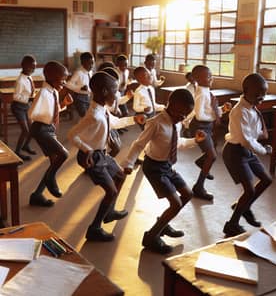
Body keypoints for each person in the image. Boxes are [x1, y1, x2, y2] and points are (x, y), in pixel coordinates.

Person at [123, 89, 206, 254]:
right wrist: (129, 163)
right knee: (175, 203)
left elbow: (178, 142)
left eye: (186, 115)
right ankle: (151, 237)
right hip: (154, 167)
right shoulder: (156, 122)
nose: (182, 118)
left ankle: (163, 223)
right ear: (170, 103)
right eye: (180, 113)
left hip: (167, 166)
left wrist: (195, 141)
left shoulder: (177, 122)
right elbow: (138, 144)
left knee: (187, 195)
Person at [68, 71, 145, 242]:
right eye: (114, 90)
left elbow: (115, 123)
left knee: (120, 176)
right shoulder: (93, 115)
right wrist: (87, 149)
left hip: (102, 154)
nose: (117, 94)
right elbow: (72, 134)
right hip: (91, 157)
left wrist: (134, 119)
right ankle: (94, 228)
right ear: (104, 92)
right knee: (111, 190)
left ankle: (109, 211)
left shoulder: (103, 109)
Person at [222, 73, 272, 237]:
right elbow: (246, 139)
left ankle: (244, 206)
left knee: (266, 180)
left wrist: (261, 137)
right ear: (246, 90)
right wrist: (264, 150)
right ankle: (232, 224)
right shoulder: (239, 111)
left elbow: (254, 134)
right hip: (235, 152)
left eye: (264, 93)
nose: (262, 97)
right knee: (249, 191)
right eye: (258, 93)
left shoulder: (252, 108)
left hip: (246, 151)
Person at [28, 61, 73, 207]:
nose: (64, 82)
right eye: (62, 79)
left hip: (48, 128)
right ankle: (50, 178)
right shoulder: (43, 93)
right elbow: (32, 113)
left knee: (55, 161)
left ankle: (37, 195)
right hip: (41, 129)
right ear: (52, 78)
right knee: (64, 154)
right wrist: (46, 117)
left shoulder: (53, 92)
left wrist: (64, 105)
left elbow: (52, 111)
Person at [188, 65, 231, 201]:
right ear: (196, 79)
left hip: (206, 125)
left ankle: (202, 163)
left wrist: (222, 110)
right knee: (212, 156)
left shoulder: (207, 91)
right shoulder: (201, 94)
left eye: (211, 75)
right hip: (200, 126)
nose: (211, 78)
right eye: (208, 76)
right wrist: (214, 117)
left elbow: (209, 110)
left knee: (211, 154)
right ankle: (199, 187)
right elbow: (200, 115)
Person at [11, 55, 37, 161]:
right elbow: (15, 96)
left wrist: (33, 96)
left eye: (34, 67)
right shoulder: (20, 80)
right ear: (23, 66)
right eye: (31, 67)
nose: (33, 70)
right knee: (25, 130)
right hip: (18, 107)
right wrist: (28, 99)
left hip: (26, 106)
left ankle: (25, 146)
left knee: (32, 129)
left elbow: (30, 91)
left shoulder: (29, 77)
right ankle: (17, 152)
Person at [65, 52, 94, 117]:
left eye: (92, 63)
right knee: (84, 116)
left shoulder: (90, 72)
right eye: (89, 63)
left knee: (89, 116)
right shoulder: (78, 73)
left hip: (88, 97)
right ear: (82, 63)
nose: (91, 65)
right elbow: (68, 84)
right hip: (79, 98)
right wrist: (80, 88)